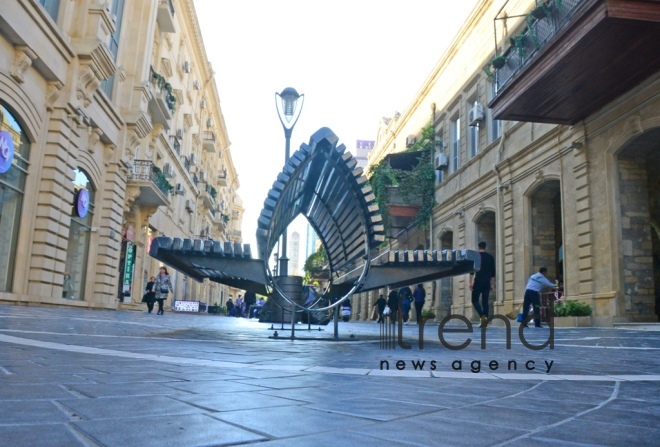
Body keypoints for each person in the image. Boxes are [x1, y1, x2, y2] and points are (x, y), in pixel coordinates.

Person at [469, 241, 496, 328]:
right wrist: (492, 284)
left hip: (478, 281)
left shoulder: (476, 256)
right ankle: (485, 322)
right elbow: (493, 273)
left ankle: (482, 316)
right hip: (487, 282)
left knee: (474, 300)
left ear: (478, 247)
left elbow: (472, 271)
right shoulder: (490, 257)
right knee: (485, 302)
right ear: (485, 247)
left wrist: (470, 282)